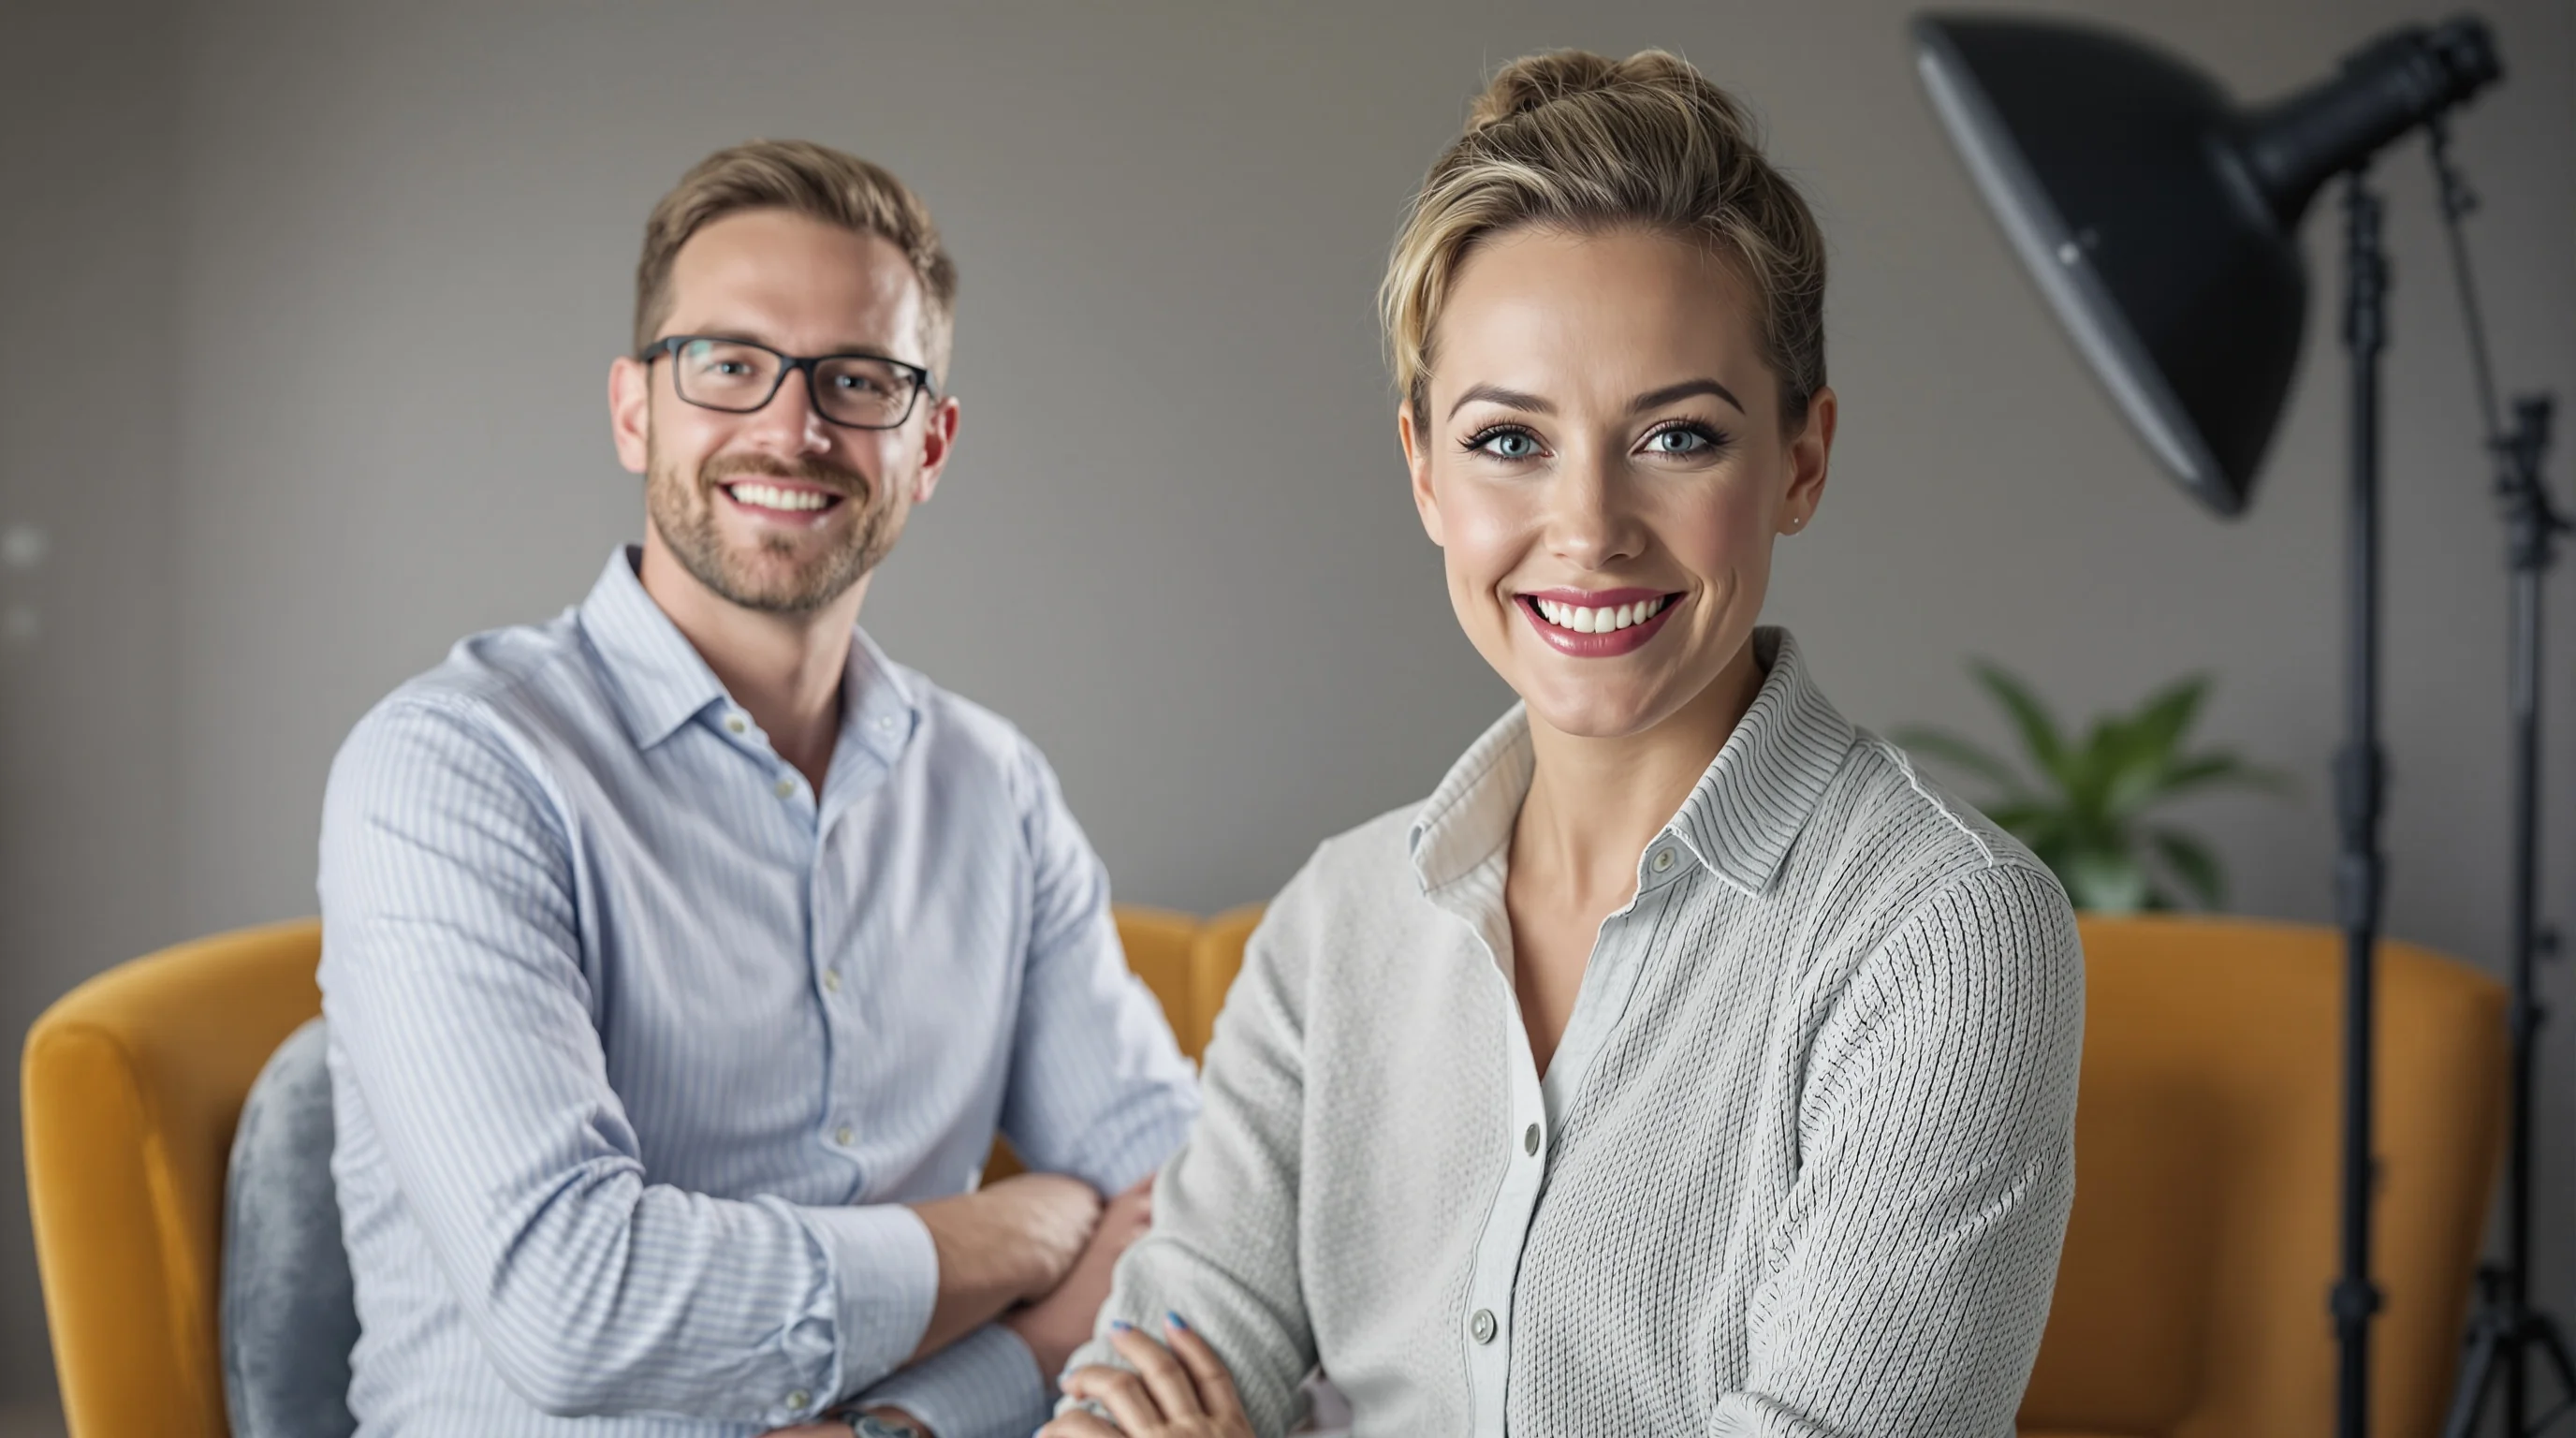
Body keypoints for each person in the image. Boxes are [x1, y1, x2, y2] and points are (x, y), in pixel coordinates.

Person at [1043, 50, 2085, 1438]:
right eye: (1509, 441)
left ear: (1802, 461)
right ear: (1425, 470)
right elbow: (1146, 1384)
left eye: (1676, 435)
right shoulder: (1332, 928)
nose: (1589, 528)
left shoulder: (1945, 938)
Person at [317, 139, 1199, 1438]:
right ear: (635, 409)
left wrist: (913, 1425)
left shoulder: (991, 787)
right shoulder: (453, 770)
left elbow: (1187, 1196)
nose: (794, 428)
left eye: (861, 380)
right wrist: (1001, 1240)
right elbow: (578, 1307)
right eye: (729, 365)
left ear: (932, 443)